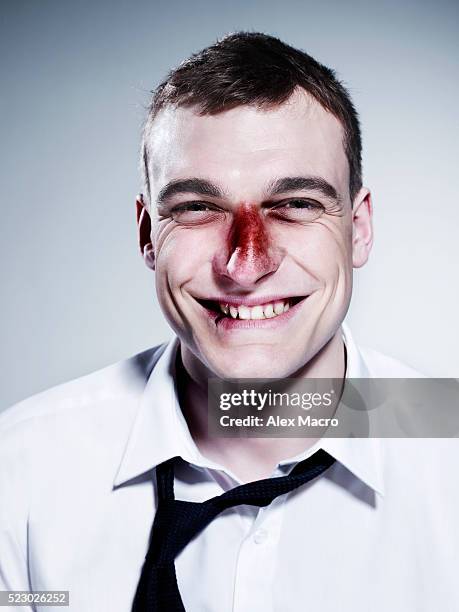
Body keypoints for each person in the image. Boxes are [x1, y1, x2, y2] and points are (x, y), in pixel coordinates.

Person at [1, 32, 457, 612]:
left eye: (295, 204)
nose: (246, 263)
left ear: (359, 228)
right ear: (147, 234)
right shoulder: (19, 474)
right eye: (197, 208)